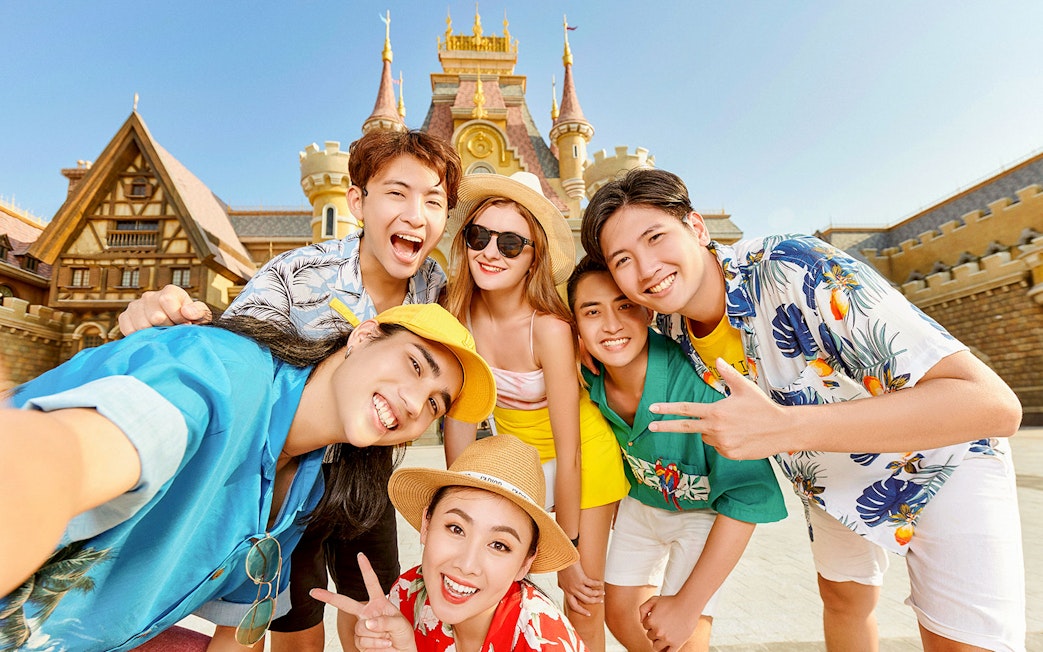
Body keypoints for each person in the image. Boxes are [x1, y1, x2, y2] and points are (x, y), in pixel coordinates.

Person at [580, 167, 1025, 652]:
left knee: (956, 642)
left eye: (655, 237)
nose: (646, 269)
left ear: (697, 227)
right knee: (844, 601)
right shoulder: (666, 324)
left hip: (944, 458)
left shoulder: (794, 266)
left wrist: (786, 427)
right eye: (623, 260)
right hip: (834, 474)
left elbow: (993, 405)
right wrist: (573, 342)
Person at [117, 129, 462, 651]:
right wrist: (164, 324)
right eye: (397, 192)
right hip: (290, 475)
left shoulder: (438, 290)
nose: (416, 214)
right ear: (356, 202)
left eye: (433, 201)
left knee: (376, 608)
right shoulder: (299, 274)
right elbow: (231, 355)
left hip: (365, 474)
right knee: (293, 623)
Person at [0, 303, 496, 652]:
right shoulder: (224, 374)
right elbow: (54, 463)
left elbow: (241, 631)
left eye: (435, 404)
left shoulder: (306, 490)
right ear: (363, 337)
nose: (414, 402)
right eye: (414, 365)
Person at [441, 171, 628, 651]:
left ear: (533, 258)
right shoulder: (459, 315)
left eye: (510, 243)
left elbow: (571, 453)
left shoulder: (547, 328)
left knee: (581, 602)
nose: (490, 252)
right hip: (519, 464)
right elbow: (460, 423)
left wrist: (567, 553)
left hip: (584, 461)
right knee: (490, 590)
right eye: (479, 236)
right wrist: (456, 506)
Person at [566, 256, 786, 651]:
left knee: (683, 635)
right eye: (592, 312)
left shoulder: (701, 387)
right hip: (642, 504)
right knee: (621, 616)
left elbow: (750, 494)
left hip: (704, 512)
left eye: (624, 306)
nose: (611, 325)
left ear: (648, 310)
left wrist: (688, 605)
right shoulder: (586, 373)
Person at [311, 434, 588, 652]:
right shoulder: (408, 594)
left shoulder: (544, 641)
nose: (466, 565)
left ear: (525, 564)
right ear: (426, 524)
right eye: (456, 528)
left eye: (499, 545)